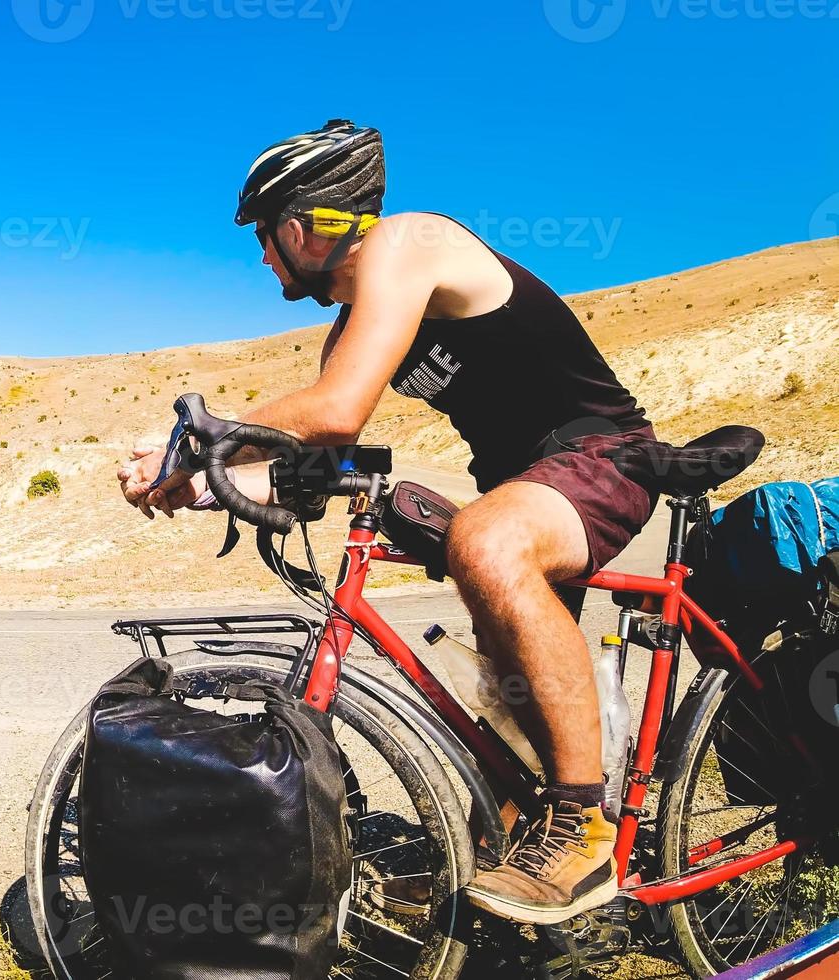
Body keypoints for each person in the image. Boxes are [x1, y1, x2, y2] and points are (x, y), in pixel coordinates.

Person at [116, 119, 657, 926]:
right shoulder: (358, 318)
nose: (263, 258)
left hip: (600, 454)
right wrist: (204, 485)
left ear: (298, 227)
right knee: (504, 684)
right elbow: (324, 453)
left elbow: (336, 411)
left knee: (485, 540)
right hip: (521, 481)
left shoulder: (407, 243)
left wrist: (198, 444)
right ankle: (508, 855)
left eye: (264, 239)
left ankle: (580, 831)